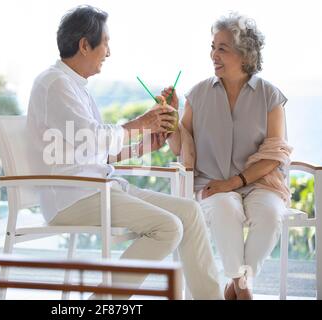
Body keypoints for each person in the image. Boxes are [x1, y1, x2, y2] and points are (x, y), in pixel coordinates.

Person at [26, 5, 222, 299]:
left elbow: (92, 151)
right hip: (74, 197)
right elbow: (93, 138)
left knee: (190, 212)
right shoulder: (55, 84)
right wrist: (142, 122)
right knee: (167, 227)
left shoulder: (76, 87)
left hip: (99, 188)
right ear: (84, 45)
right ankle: (102, 303)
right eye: (105, 42)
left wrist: (142, 146)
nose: (108, 52)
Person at [164, 12, 292, 300]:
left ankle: (233, 287)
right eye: (212, 47)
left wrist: (234, 182)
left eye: (222, 48)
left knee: (271, 215)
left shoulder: (270, 96)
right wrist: (171, 118)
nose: (213, 55)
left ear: (245, 54)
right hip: (212, 183)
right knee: (224, 210)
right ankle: (243, 287)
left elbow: (275, 156)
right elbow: (180, 147)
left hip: (261, 183)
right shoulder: (197, 95)